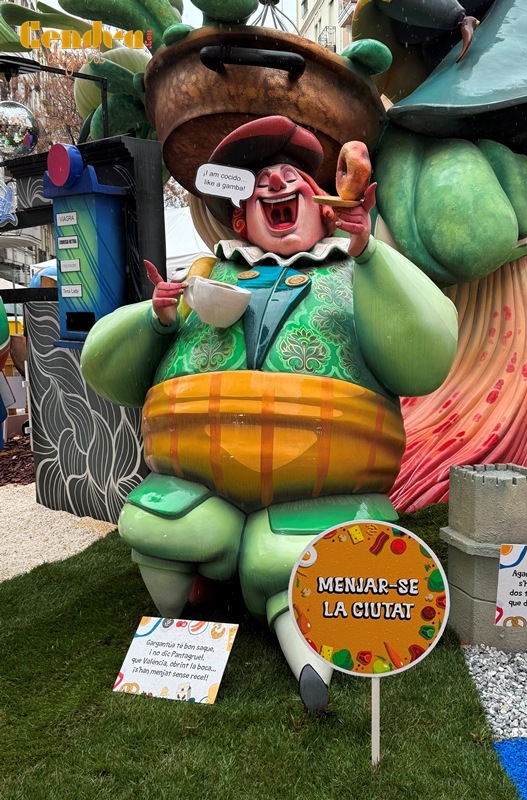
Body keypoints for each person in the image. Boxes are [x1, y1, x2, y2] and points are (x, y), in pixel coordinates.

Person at [81, 115, 458, 710]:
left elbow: (426, 357)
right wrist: (155, 317)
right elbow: (105, 368)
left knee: (292, 553)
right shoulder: (205, 274)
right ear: (240, 219)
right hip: (195, 480)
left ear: (325, 207)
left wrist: (369, 255)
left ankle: (302, 628)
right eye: (261, 181)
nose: (277, 182)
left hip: (325, 481)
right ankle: (180, 614)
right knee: (166, 525)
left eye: (293, 177)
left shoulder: (354, 272)